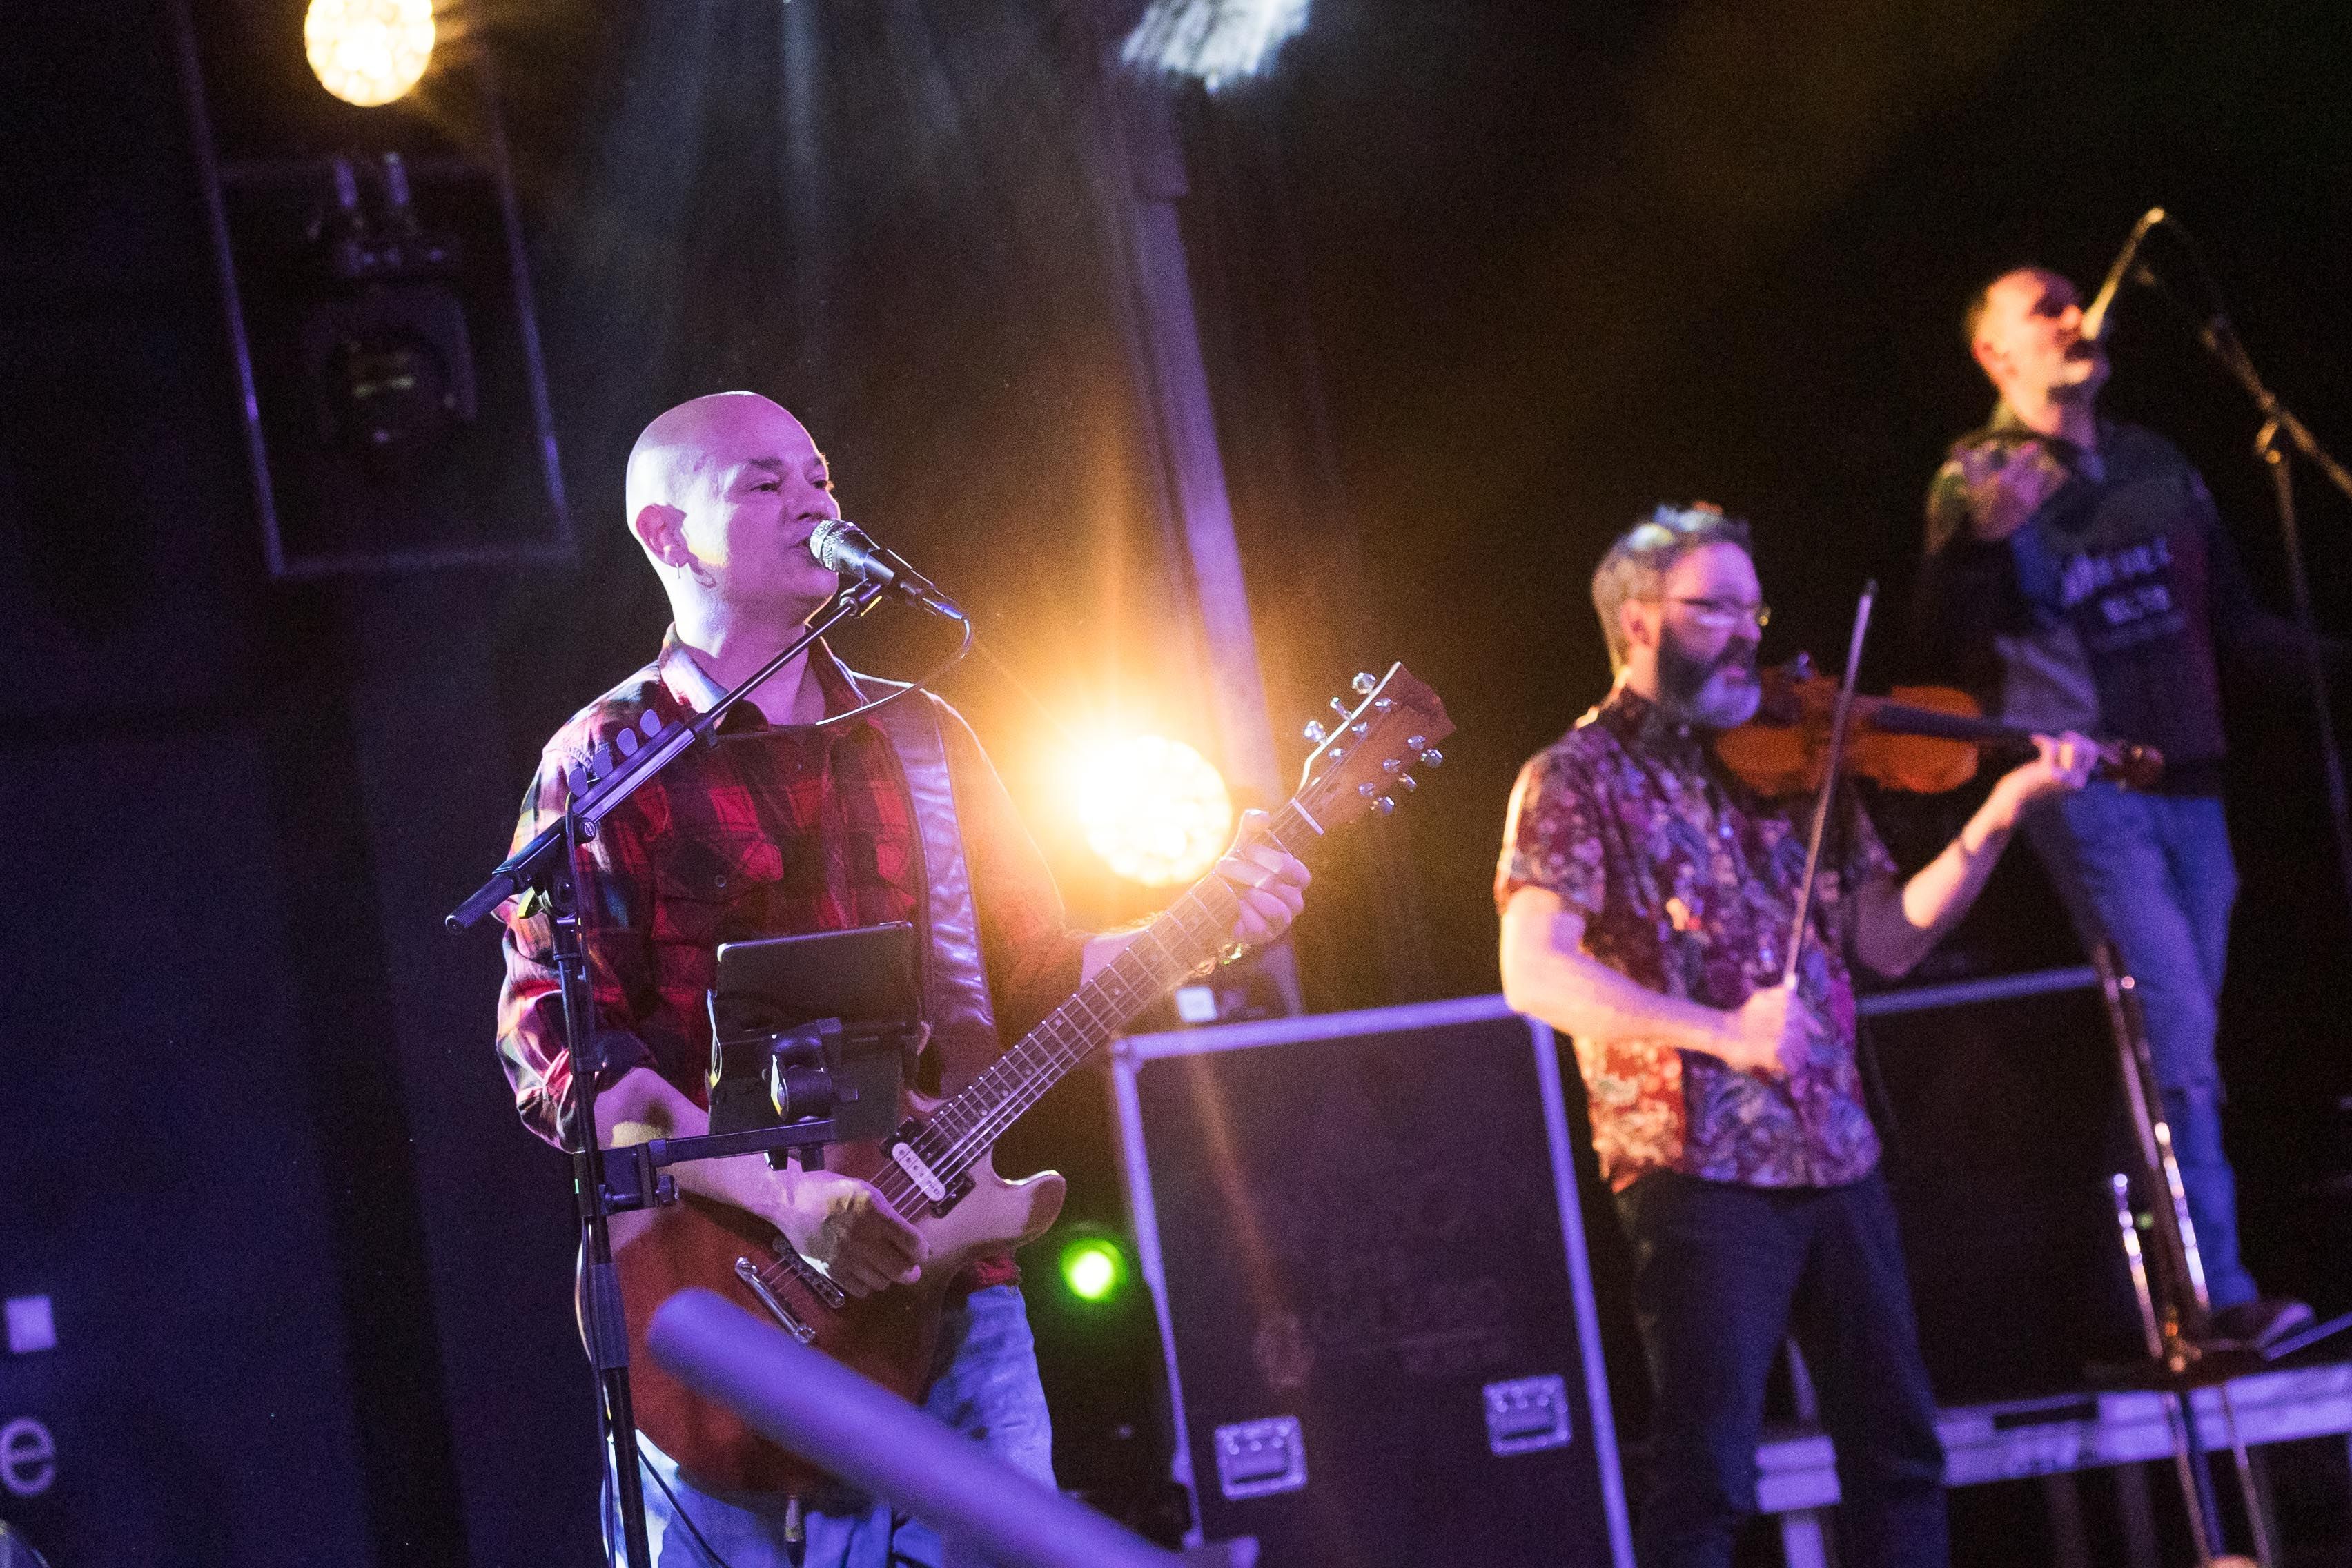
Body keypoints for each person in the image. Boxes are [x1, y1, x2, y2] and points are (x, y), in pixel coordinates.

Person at [493, 391, 1310, 1567]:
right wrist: (787, 1200)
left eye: (820, 474)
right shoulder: (604, 764)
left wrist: (1211, 925)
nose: (815, 499)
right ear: (668, 536)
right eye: (764, 483)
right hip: (724, 1307)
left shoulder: (922, 740)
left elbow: (1029, 973)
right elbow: (565, 1055)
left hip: (952, 1287)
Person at [1497, 503, 2095, 1568]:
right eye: (1714, 608)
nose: (1747, 632)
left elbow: (1890, 939)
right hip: (1700, 1165)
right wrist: (1720, 1032)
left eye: (1751, 607)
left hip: (1836, 1151)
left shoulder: (1795, 768)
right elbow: (1533, 970)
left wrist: (2000, 814)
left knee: (1900, 1457)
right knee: (1710, 1478)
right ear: (1639, 622)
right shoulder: (1574, 779)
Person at [1916, 266, 2315, 1348]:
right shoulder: (1980, 473)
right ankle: (2215, 1294)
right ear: (1996, 356)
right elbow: (1940, 647)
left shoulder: (2153, 463)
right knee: (2177, 1031)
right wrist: (1974, 545)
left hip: (2194, 782)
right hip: (2089, 793)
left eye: (2070, 299)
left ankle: (2131, 1291)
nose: (2070, 316)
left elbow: (2236, 625)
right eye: (2038, 309)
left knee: (2171, 1043)